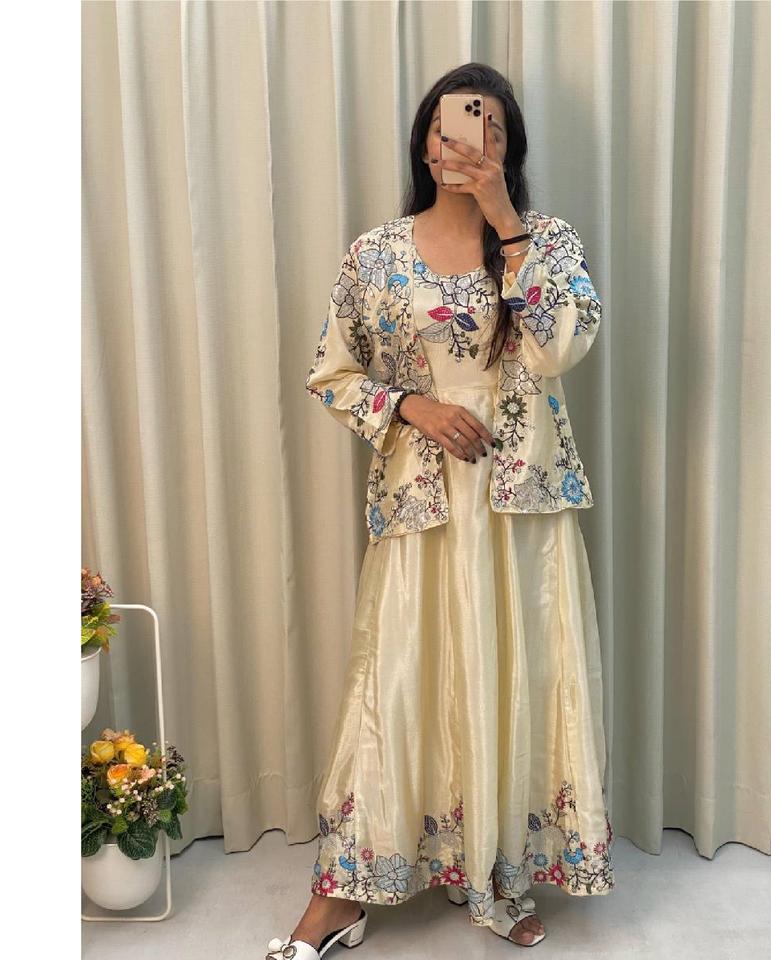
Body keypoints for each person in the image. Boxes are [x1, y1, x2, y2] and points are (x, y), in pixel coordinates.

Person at [265, 62, 614, 960]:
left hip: (522, 503)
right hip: (422, 500)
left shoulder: (549, 241)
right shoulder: (375, 254)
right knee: (397, 682)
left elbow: (561, 349)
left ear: (510, 148)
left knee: (517, 678)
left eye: (492, 128)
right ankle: (343, 893)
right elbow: (331, 373)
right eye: (455, 124)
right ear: (427, 141)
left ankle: (499, 870)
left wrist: (507, 224)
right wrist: (409, 406)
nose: (470, 141)